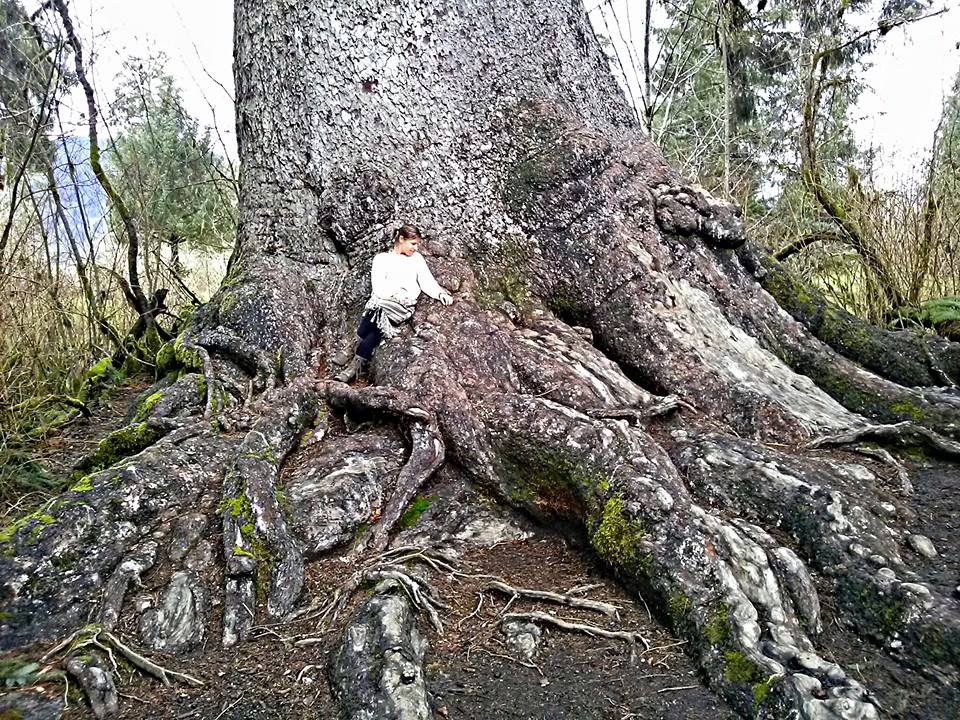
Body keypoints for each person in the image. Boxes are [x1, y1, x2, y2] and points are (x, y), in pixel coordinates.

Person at [334, 224, 453, 382]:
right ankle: (355, 357)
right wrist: (394, 293)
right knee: (378, 313)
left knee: (379, 314)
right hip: (382, 300)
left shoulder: (416, 260)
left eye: (417, 244)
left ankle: (353, 357)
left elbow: (426, 281)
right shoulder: (382, 259)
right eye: (413, 243)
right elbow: (378, 287)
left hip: (402, 305)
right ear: (401, 239)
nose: (416, 248)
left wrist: (440, 293)